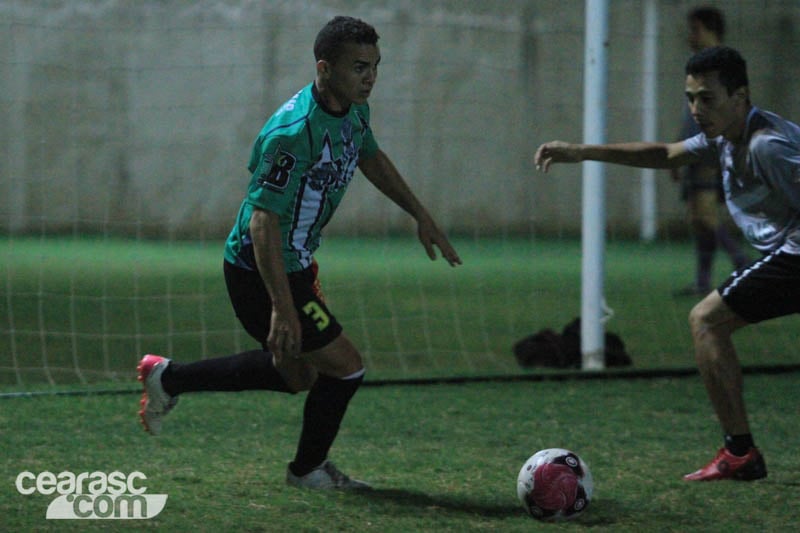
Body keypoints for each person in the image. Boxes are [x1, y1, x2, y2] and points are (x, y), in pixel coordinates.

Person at [136, 16, 461, 490]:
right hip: (259, 268)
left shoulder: (353, 110)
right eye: (358, 67)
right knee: (347, 366)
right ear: (324, 68)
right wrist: (283, 308)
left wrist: (420, 213)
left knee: (298, 375)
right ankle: (307, 470)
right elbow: (262, 221)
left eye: (375, 66)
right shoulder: (294, 132)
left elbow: (368, 155)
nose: (369, 77)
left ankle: (168, 378)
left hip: (298, 264)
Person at [535, 45, 800, 481]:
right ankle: (740, 453)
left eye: (707, 98)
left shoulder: (766, 145)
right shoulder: (724, 135)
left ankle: (739, 452)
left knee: (708, 321)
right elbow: (663, 154)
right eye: (690, 98)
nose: (696, 109)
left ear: (741, 96)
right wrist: (580, 151)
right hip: (785, 255)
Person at [672, 6, 749, 296]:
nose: (690, 36)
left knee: (704, 215)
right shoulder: (697, 65)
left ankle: (743, 262)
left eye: (695, 29)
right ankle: (703, 281)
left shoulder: (724, 67)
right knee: (698, 219)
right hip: (693, 149)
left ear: (709, 29)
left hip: (710, 150)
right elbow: (689, 115)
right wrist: (677, 149)